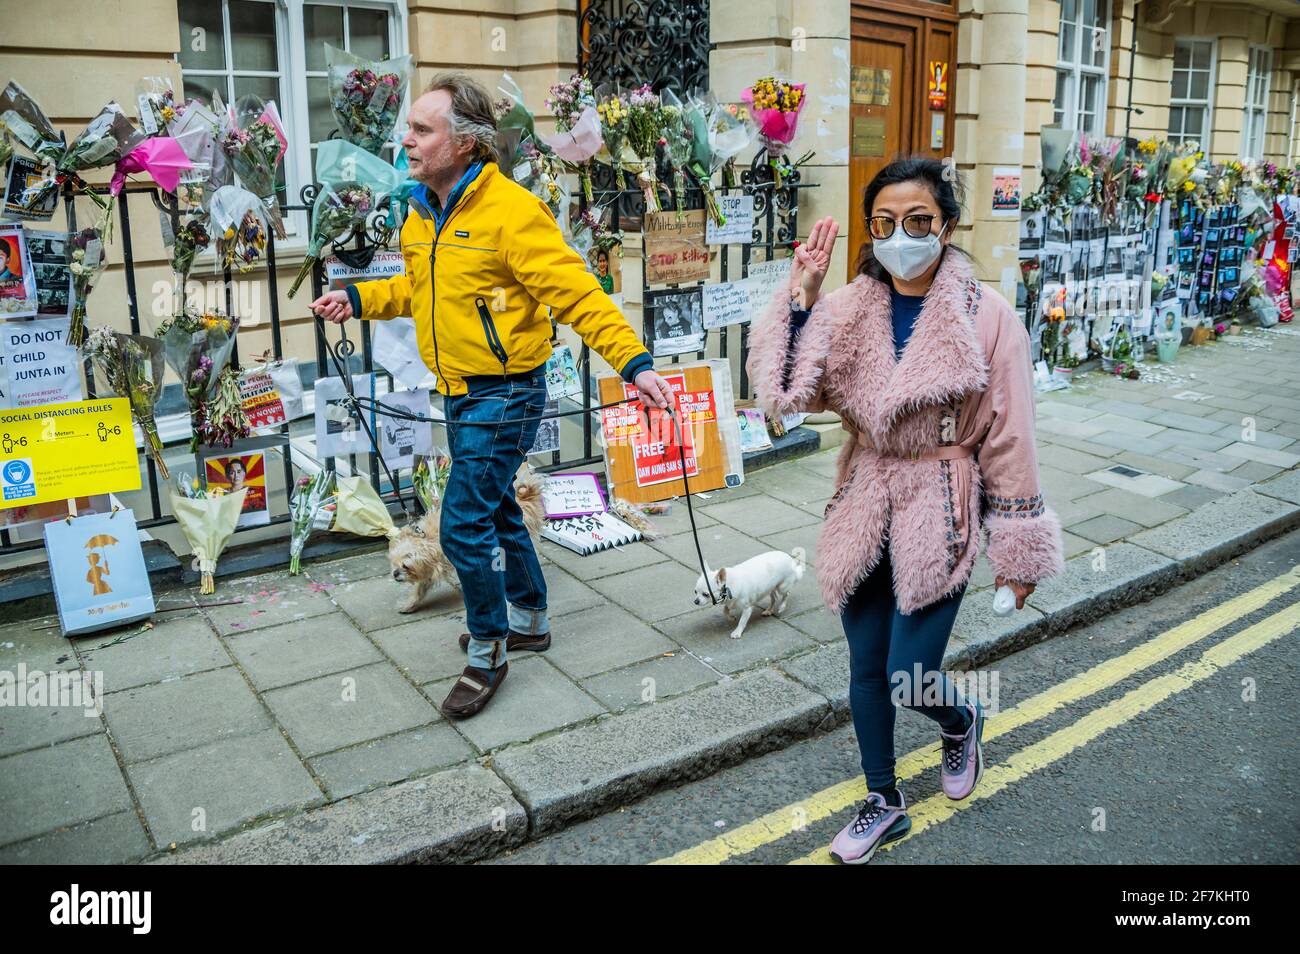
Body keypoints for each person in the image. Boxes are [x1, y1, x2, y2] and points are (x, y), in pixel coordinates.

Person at [311, 72, 673, 720]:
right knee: (499, 506)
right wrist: (360, 297)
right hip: (457, 390)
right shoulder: (421, 211)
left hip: (506, 393)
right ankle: (529, 616)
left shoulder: (512, 212)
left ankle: (488, 652)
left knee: (461, 523)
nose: (408, 139)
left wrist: (634, 362)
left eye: (423, 129)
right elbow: (417, 293)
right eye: (409, 127)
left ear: (467, 142)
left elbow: (578, 293)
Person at [747, 156, 1063, 864]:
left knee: (908, 674)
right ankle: (883, 801)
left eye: (918, 221)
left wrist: (1017, 552)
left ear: (947, 224)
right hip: (864, 501)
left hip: (942, 510)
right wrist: (800, 297)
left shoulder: (987, 317)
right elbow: (787, 397)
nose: (901, 236)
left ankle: (960, 718)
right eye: (885, 222)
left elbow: (1010, 437)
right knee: (865, 666)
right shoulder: (849, 308)